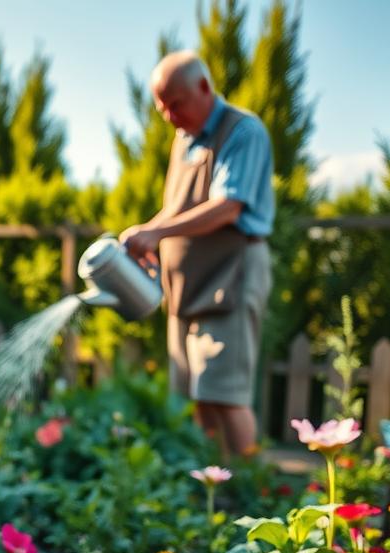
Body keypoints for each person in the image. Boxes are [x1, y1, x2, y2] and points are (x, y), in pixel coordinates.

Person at [120, 50, 274, 457]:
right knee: (198, 396)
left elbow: (228, 206)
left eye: (175, 104)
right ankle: (208, 491)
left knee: (227, 395)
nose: (169, 116)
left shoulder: (242, 131)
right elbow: (177, 208)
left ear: (204, 88)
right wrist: (145, 234)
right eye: (161, 108)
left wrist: (157, 232)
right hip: (187, 287)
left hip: (230, 279)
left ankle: (247, 492)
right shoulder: (183, 140)